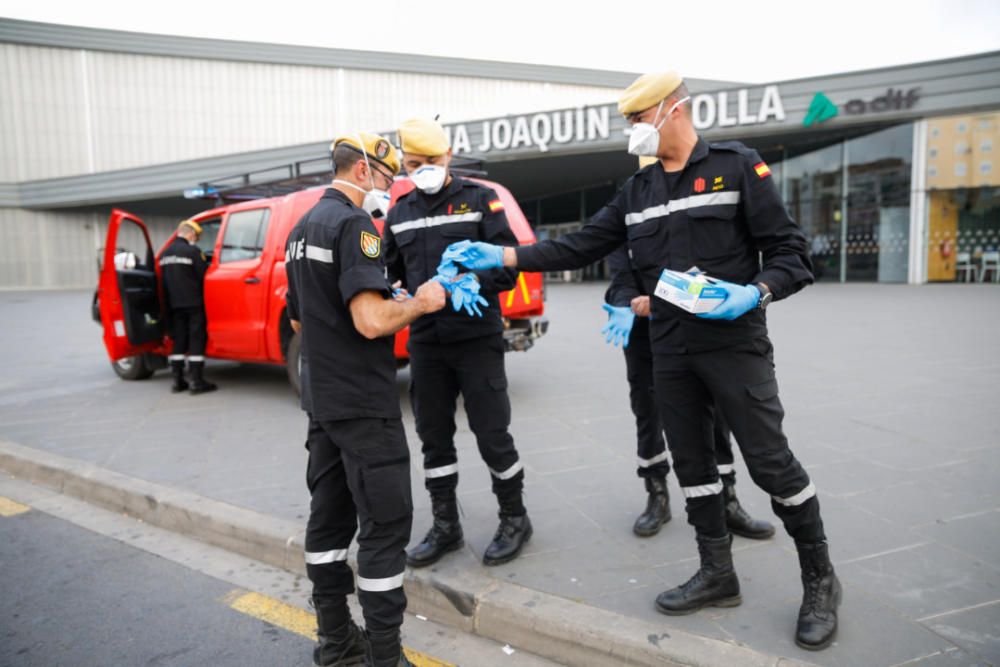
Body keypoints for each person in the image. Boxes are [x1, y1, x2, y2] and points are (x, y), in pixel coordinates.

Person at [441, 71, 842, 651]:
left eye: (636, 117)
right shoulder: (638, 192)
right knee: (694, 466)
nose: (631, 129)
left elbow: (791, 253)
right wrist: (501, 252)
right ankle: (717, 573)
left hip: (734, 347)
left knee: (770, 464)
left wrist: (753, 293)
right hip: (670, 350)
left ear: (673, 109)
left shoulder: (736, 167)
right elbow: (577, 245)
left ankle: (820, 579)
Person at [285, 131, 447, 667]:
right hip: (363, 404)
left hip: (322, 401)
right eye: (387, 175)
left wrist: (379, 300)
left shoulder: (302, 227)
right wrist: (418, 303)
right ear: (362, 172)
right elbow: (370, 320)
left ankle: (336, 643)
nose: (390, 185)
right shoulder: (356, 224)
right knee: (384, 528)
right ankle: (385, 657)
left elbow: (300, 316)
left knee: (328, 526)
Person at [382, 118, 532, 568]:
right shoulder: (400, 211)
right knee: (433, 435)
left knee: (492, 432)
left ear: (447, 156)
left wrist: (469, 281)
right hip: (426, 340)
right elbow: (390, 271)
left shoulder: (479, 200)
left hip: (475, 335)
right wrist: (392, 291)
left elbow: (508, 267)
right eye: (412, 164)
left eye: (430, 161)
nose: (421, 169)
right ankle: (446, 525)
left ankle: (515, 517)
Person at [602, 244, 775, 540]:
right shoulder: (628, 213)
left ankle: (727, 500)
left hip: (697, 327)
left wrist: (663, 303)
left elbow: (709, 271)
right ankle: (657, 494)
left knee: (715, 411)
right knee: (647, 410)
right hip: (642, 330)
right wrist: (625, 302)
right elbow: (621, 276)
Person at [160, 219, 216, 394]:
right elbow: (204, 276)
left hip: (173, 305)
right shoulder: (192, 252)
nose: (196, 239)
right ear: (191, 233)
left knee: (179, 341)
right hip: (194, 303)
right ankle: (196, 381)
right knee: (196, 339)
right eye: (196, 236)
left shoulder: (165, 254)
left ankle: (178, 381)